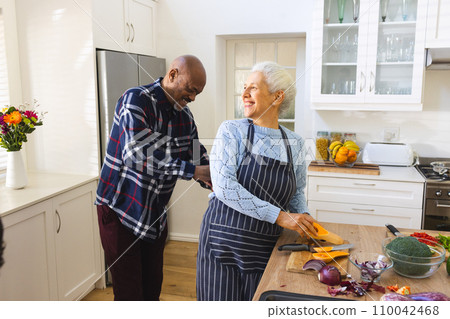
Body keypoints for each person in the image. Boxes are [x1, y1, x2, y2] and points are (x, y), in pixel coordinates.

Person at [196, 61, 319, 301]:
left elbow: (295, 192)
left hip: (265, 246)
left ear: (277, 97)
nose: (244, 94)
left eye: (252, 88)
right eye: (244, 88)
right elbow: (225, 188)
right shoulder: (232, 131)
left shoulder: (294, 143)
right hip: (224, 244)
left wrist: (305, 220)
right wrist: (282, 217)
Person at [95, 55, 211, 301]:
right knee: (129, 296)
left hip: (153, 213)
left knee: (151, 292)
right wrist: (193, 171)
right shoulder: (136, 100)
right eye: (190, 90)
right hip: (120, 209)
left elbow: (197, 156)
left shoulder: (185, 117)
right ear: (172, 75)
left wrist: (215, 176)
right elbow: (137, 155)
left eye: (197, 94)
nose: (192, 98)